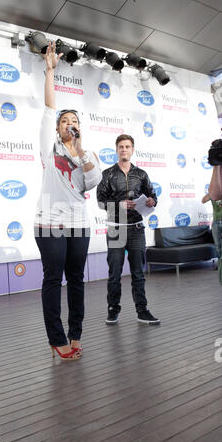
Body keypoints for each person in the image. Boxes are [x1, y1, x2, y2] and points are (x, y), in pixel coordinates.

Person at [34, 42, 102, 360]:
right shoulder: (50, 150)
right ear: (59, 128)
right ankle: (56, 339)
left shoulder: (86, 155)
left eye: (73, 120)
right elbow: (49, 109)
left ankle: (75, 333)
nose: (68, 123)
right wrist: (50, 72)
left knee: (76, 279)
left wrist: (81, 154)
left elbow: (93, 182)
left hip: (78, 224)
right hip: (49, 222)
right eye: (64, 121)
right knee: (53, 278)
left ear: (79, 127)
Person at [97, 134, 160, 325]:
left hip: (136, 228)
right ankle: (113, 309)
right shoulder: (107, 174)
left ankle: (142, 311)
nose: (124, 150)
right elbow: (100, 202)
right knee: (114, 273)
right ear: (116, 150)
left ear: (132, 150)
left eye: (127, 146)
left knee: (138, 274)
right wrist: (119, 204)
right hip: (116, 229)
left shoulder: (141, 174)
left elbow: (153, 197)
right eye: (121, 147)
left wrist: (151, 201)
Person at [208, 165, 222, 285]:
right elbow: (212, 195)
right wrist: (216, 166)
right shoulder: (216, 190)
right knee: (218, 247)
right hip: (217, 222)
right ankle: (219, 263)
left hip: (219, 222)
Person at [201, 192, 222, 261]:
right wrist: (211, 192)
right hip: (216, 222)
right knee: (217, 245)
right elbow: (203, 200)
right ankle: (220, 263)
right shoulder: (214, 192)